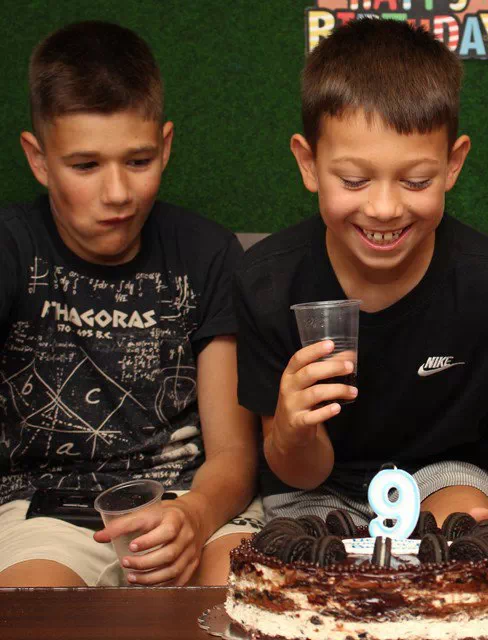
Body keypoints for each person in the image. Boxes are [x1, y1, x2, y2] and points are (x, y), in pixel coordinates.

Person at [234, 18, 488, 556]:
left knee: (465, 534)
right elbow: (300, 470)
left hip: (445, 477)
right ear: (308, 163)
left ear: (453, 164)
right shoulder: (268, 283)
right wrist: (293, 430)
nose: (384, 208)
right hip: (311, 491)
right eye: (354, 180)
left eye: (416, 181)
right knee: (295, 563)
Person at [0, 21, 261, 587]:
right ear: (38, 159)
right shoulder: (12, 248)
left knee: (245, 594)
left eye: (138, 161)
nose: (117, 193)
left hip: (194, 503)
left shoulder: (208, 253)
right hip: (46, 513)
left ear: (165, 146)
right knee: (35, 606)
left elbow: (234, 455)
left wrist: (195, 515)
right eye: (85, 166)